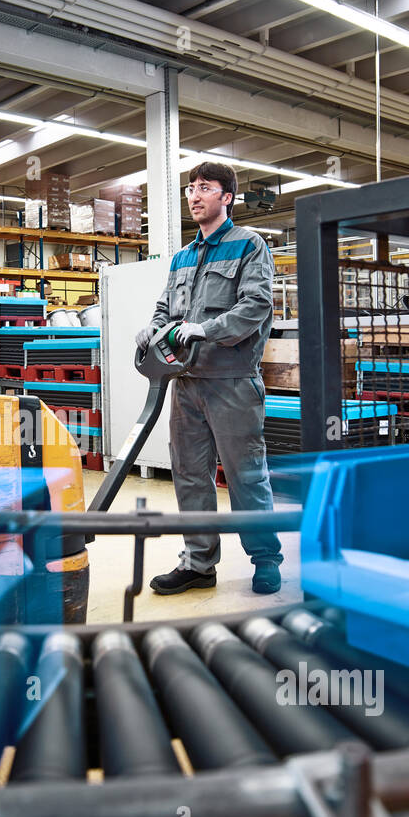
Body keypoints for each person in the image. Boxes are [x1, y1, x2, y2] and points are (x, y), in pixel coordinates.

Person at [135, 162, 283, 596]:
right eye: (190, 189)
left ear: (227, 196)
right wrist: (153, 328)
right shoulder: (182, 257)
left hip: (233, 383)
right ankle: (199, 563)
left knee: (246, 476)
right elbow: (166, 309)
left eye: (205, 188)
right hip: (185, 384)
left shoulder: (249, 245)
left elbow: (256, 306)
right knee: (190, 475)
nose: (194, 196)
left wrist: (207, 330)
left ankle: (265, 559)